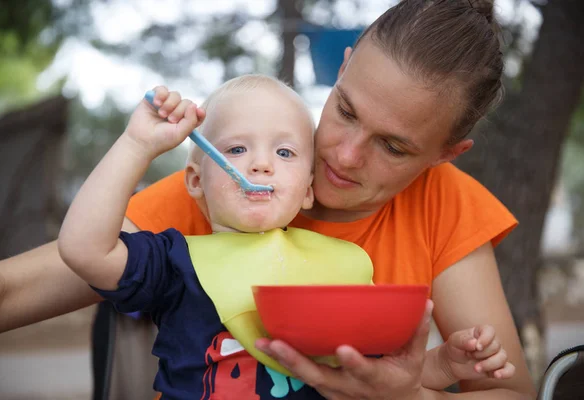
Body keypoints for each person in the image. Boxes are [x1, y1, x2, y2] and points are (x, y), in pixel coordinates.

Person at [0, 1, 537, 399]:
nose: (342, 156)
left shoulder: (446, 205)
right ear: (342, 68)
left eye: (392, 147)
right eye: (344, 110)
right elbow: (6, 292)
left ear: (448, 153)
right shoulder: (222, 192)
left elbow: (511, 390)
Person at [57, 74, 514, 399]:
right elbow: (83, 249)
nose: (260, 164)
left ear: (310, 189)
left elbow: (382, 375)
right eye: (236, 148)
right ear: (195, 182)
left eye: (284, 151)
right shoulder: (175, 261)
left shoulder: (346, 264)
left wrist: (443, 366)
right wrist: (137, 144)